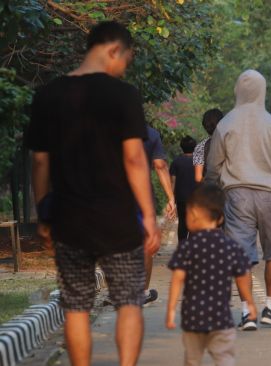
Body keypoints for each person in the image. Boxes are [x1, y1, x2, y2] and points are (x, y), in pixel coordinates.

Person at [27, 21, 160, 366]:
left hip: (69, 220)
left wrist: (44, 214)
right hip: (118, 220)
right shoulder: (124, 95)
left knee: (76, 306)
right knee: (129, 301)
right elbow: (134, 159)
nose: (124, 67)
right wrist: (148, 215)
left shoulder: (48, 96)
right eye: (126, 59)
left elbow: (40, 162)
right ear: (114, 50)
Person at [205, 70, 271, 331]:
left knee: (241, 255)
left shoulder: (225, 124)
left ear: (238, 90)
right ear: (263, 91)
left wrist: (210, 200)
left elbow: (213, 168)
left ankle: (248, 312)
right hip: (270, 197)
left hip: (236, 198)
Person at [166, 184, 256, 366]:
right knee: (224, 358)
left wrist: (171, 309)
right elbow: (243, 276)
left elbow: (177, 279)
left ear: (193, 215)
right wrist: (250, 303)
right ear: (221, 218)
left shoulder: (187, 247)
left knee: (192, 360)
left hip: (193, 318)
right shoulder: (231, 246)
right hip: (221, 318)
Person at [142, 125, 176, 305]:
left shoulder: (103, 128)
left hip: (108, 196)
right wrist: (170, 197)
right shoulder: (150, 134)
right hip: (141, 197)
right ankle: (143, 291)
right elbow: (160, 165)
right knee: (146, 242)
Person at [170, 136, 198, 242]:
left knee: (182, 222)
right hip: (196, 198)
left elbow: (173, 181)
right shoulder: (199, 162)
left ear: (181, 147)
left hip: (181, 198)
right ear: (195, 147)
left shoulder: (176, 162)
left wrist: (171, 198)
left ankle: (182, 247)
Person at [193, 108, 224, 182]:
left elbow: (198, 178)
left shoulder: (200, 147)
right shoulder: (231, 142)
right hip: (232, 188)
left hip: (212, 190)